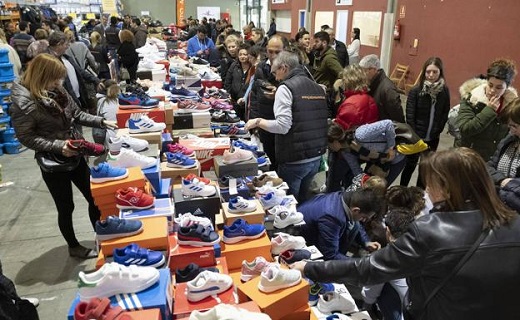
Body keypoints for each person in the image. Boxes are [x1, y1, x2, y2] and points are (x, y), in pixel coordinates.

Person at [292, 147, 520, 320]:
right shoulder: (514, 222)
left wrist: (310, 267)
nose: (426, 190)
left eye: (430, 184)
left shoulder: (431, 231)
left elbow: (368, 269)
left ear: (447, 188)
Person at [9, 54, 118, 259]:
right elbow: (26, 137)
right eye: (55, 79)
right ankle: (74, 246)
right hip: (53, 163)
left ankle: (102, 236)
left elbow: (76, 114)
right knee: (66, 206)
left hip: (75, 152)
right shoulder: (22, 102)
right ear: (43, 76)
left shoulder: (56, 90)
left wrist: (101, 122)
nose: (59, 83)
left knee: (94, 197)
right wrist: (59, 146)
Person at [245, 51, 328, 201]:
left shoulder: (285, 88)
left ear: (284, 68)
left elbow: (283, 126)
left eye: (275, 72)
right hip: (315, 156)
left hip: (294, 158)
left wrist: (258, 121)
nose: (275, 78)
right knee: (304, 201)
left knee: (287, 203)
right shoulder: (317, 88)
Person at [400, 57, 450, 187]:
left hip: (433, 137)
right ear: (424, 72)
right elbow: (410, 116)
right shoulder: (416, 91)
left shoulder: (444, 91)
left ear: (440, 72)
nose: (431, 75)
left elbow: (445, 112)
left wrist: (438, 129)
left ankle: (418, 193)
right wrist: (415, 136)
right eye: (428, 72)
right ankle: (403, 190)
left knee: (425, 167)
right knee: (410, 165)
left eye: (435, 72)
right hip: (416, 137)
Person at [456, 58, 518, 161]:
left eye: (499, 87)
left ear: (506, 87)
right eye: (490, 85)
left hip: (491, 160)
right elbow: (465, 129)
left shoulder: (510, 104)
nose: (493, 91)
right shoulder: (471, 98)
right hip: (467, 157)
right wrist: (489, 110)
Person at [297, 188, 383, 260]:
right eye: (364, 217)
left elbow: (356, 222)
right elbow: (330, 255)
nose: (363, 221)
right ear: (356, 210)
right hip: (302, 241)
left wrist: (366, 242)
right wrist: (359, 264)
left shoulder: (345, 197)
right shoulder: (333, 218)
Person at [362, 208, 413, 320]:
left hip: (406, 315)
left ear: (388, 231)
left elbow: (368, 296)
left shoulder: (388, 257)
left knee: (382, 287)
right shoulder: (424, 249)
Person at [248, 35, 286, 171]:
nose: (273, 55)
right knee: (268, 156)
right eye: (270, 51)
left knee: (282, 160)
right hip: (264, 120)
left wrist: (280, 92)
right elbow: (255, 96)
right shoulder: (261, 68)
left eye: (277, 52)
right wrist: (254, 121)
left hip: (283, 122)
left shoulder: (292, 68)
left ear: (285, 50)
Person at [46, 31, 101, 113]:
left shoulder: (66, 58)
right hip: (64, 104)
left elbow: (80, 72)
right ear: (59, 44)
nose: (68, 46)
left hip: (77, 98)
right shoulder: (48, 61)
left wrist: (97, 80)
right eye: (66, 44)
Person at [487, 98, 520, 212]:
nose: (511, 130)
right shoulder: (509, 140)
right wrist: (502, 181)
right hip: (500, 205)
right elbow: (489, 167)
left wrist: (509, 185)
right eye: (509, 126)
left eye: (514, 126)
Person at [359, 54, 405, 122]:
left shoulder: (388, 89)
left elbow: (397, 117)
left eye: (364, 71)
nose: (361, 74)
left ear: (374, 69)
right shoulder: (371, 83)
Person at [225, 43, 252, 120]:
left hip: (247, 104)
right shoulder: (234, 65)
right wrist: (229, 93)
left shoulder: (253, 68)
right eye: (240, 54)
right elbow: (228, 81)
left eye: (245, 54)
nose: (242, 56)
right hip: (234, 102)